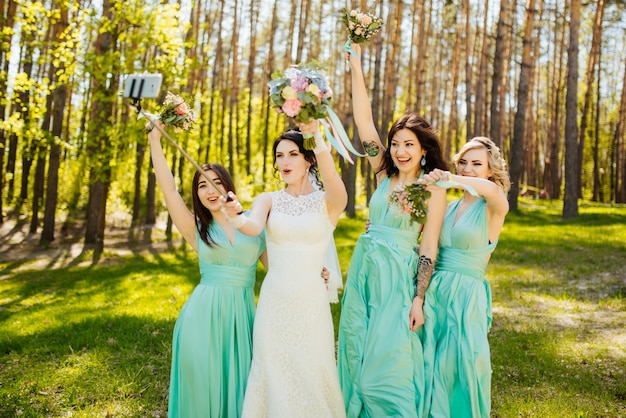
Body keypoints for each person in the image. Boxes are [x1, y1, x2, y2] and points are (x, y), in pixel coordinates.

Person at [337, 42, 449, 417]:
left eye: (409, 145)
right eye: (395, 143)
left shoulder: (433, 191)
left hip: (396, 279)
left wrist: (418, 298)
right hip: (364, 270)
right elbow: (364, 122)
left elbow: (429, 246)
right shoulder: (383, 174)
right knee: (356, 346)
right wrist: (356, 69)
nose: (400, 151)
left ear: (423, 151)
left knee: (388, 362)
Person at [221, 120, 347, 417]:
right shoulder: (268, 199)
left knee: (314, 368)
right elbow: (252, 227)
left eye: (292, 154)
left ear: (309, 159)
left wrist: (316, 135)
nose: (285, 161)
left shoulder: (329, 202)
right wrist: (236, 216)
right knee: (273, 369)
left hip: (310, 302)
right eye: (279, 155)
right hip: (275, 301)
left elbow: (332, 178)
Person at [147, 124, 268, 417]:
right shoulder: (195, 228)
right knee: (203, 389)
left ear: (228, 186)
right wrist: (155, 140)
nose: (209, 190)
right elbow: (168, 187)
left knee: (241, 394)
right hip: (201, 319)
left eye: (215, 182)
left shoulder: (254, 221)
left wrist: (316, 273)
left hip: (242, 319)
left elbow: (277, 268)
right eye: (202, 185)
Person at [419, 137, 510, 417]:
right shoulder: (446, 206)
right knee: (431, 366)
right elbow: (424, 244)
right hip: (436, 292)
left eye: (476, 164)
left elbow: (490, 191)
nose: (468, 169)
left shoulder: (494, 205)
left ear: (490, 171)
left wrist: (450, 177)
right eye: (463, 162)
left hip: (466, 295)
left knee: (463, 365)